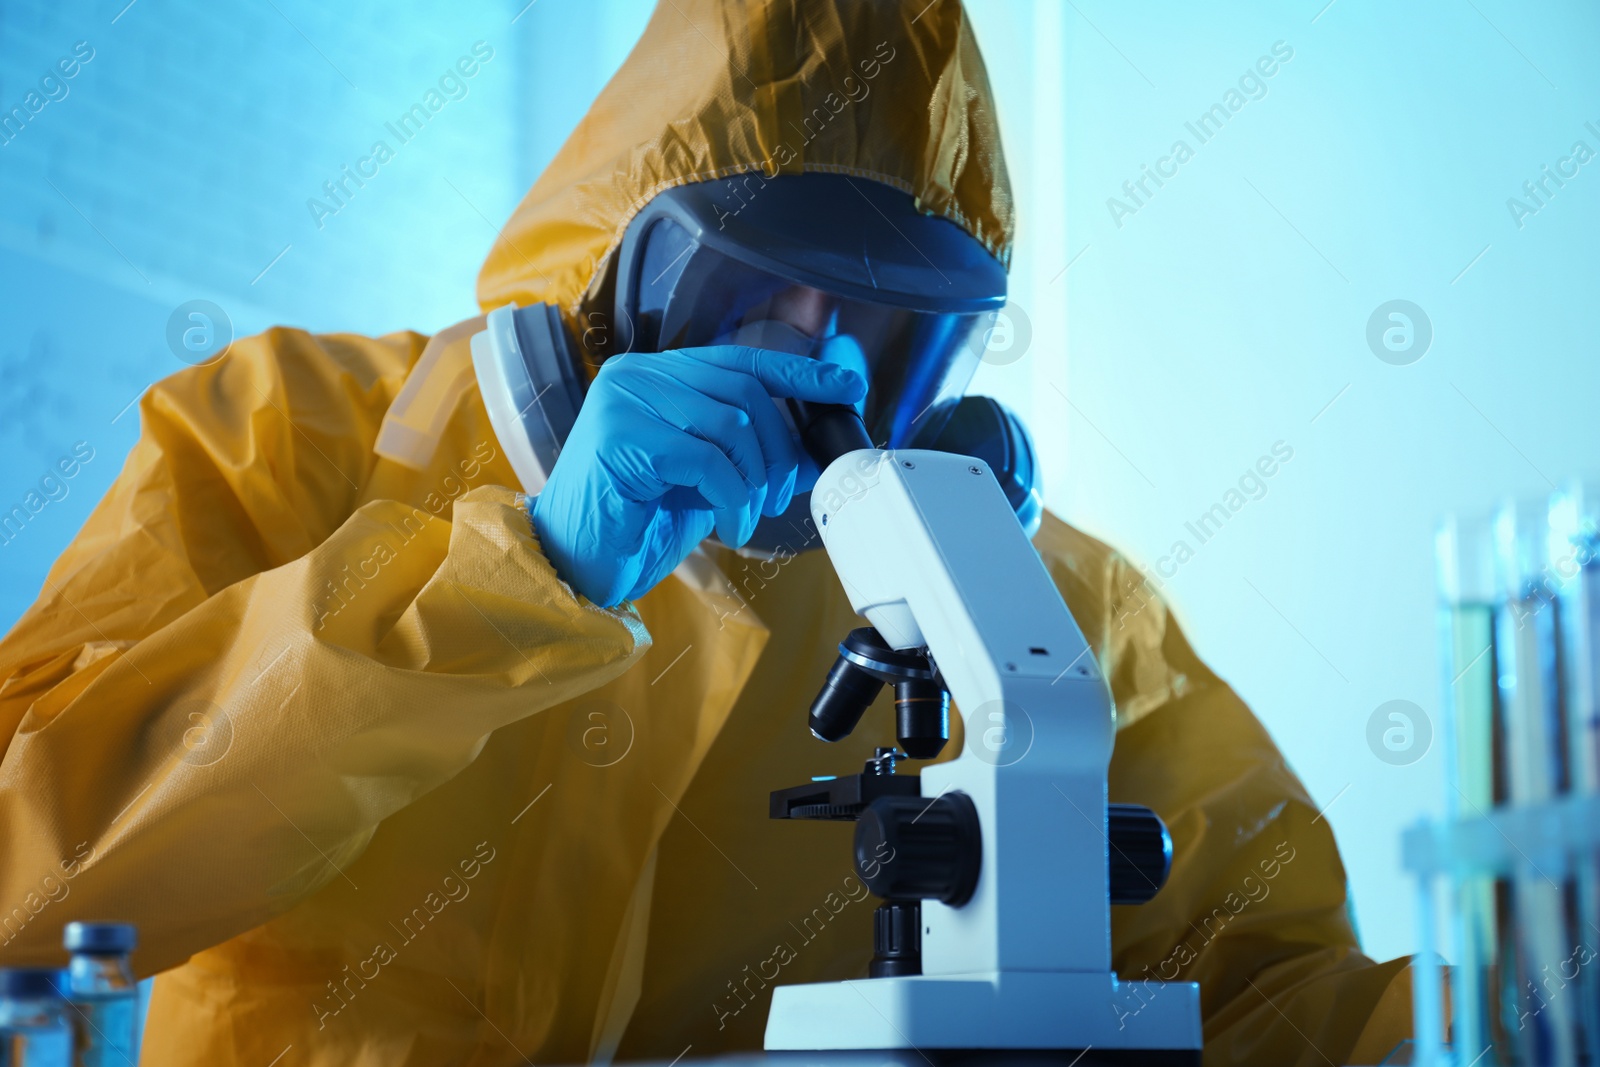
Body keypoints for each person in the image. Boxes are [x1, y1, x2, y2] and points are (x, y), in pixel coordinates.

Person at [0, 1, 1416, 1064]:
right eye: (752, 284)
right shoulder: (290, 442)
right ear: (611, 260)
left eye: (876, 315)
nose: (811, 357)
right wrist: (524, 575)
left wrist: (1533, 987)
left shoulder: (1028, 613)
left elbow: (1272, 1007)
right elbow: (28, 884)